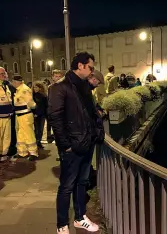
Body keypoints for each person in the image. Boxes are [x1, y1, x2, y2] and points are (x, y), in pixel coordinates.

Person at [48, 52, 104, 234]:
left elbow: (89, 113)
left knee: (82, 183)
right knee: (66, 186)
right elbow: (55, 119)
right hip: (72, 147)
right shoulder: (60, 87)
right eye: (90, 67)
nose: (92, 71)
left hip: (87, 143)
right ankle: (61, 224)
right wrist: (65, 145)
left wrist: (96, 132)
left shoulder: (84, 87)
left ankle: (79, 218)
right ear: (80, 66)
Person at [12, 75, 38, 161]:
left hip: (25, 115)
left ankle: (33, 153)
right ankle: (22, 152)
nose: (13, 84)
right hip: (20, 115)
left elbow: (30, 103)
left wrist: (33, 108)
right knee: (20, 134)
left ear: (17, 82)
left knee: (28, 134)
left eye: (14, 82)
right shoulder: (19, 89)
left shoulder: (24, 89)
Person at [47, 69, 65, 144]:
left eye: (59, 76)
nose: (58, 78)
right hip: (53, 113)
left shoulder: (65, 87)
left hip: (62, 113)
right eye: (56, 76)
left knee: (63, 134)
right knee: (57, 134)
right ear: (52, 77)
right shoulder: (50, 87)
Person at [3, 72, 17, 157]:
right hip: (5, 113)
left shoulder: (10, 87)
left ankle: (11, 148)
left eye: (4, 76)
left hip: (10, 113)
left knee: (11, 131)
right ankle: (8, 148)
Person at [33, 81, 48, 148]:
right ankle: (36, 142)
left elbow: (45, 106)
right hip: (35, 115)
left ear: (40, 88)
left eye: (36, 87)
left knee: (41, 129)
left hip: (42, 115)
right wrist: (34, 113)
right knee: (36, 129)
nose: (34, 89)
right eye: (34, 87)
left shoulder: (43, 96)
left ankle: (38, 142)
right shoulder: (32, 95)